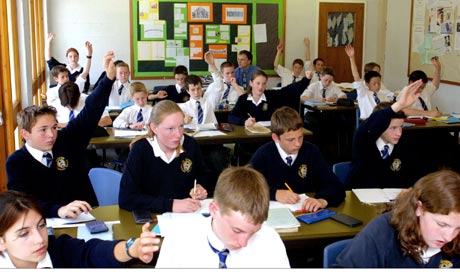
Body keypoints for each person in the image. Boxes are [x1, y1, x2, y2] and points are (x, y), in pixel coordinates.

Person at [6, 51, 117, 218]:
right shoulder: (16, 162)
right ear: (25, 133)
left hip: (85, 217)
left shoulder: (67, 140)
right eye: (43, 130)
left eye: (54, 127)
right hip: (46, 223)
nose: (51, 134)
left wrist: (107, 80)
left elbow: (90, 112)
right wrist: (58, 210)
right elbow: (22, 203)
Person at [155, 166, 290, 268]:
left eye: (253, 232)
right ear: (214, 210)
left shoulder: (270, 241)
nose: (244, 243)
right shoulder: (179, 240)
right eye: (237, 230)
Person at [0, 190, 160, 268]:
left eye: (41, 225)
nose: (40, 239)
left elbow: (93, 252)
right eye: (24, 234)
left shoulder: (58, 250)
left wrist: (130, 248)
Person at [335, 169, 460, 268]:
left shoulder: (454, 239)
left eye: (458, 228)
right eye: (442, 225)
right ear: (419, 208)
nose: (449, 237)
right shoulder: (382, 232)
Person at [118, 100, 209, 213]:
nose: (178, 134)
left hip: (187, 215)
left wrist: (201, 187)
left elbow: (203, 175)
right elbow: (126, 199)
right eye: (170, 129)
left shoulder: (190, 145)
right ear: (154, 128)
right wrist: (170, 205)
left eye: (181, 126)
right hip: (153, 217)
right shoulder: (141, 150)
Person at [249, 106, 345, 212]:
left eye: (300, 137)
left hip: (306, 215)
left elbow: (335, 186)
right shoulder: (264, 155)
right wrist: (274, 193)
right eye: (291, 140)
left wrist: (322, 200)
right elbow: (244, 188)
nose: (298, 144)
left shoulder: (310, 151)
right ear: (275, 138)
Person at [349, 79, 425, 189]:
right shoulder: (364, 142)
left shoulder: (405, 144)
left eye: (401, 127)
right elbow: (370, 125)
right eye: (393, 128)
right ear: (379, 126)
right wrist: (399, 105)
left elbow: (416, 173)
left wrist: (410, 190)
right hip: (361, 197)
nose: (399, 133)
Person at [179, 74, 230, 196]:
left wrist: (212, 65)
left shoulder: (208, 102)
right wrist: (182, 117)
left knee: (217, 157)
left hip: (209, 142)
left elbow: (219, 85)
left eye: (198, 88)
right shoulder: (183, 107)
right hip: (192, 144)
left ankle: (222, 188)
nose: (196, 92)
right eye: (192, 90)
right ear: (187, 91)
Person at [228, 70, 312, 126]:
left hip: (268, 137)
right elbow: (231, 117)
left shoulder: (271, 95)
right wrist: (244, 122)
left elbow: (289, 91)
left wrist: (306, 80)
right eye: (258, 83)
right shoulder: (243, 99)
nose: (261, 87)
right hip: (249, 138)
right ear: (251, 83)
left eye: (264, 83)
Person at [345, 45, 394, 120]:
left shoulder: (382, 96)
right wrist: (352, 58)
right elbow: (356, 76)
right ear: (367, 84)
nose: (377, 86)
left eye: (379, 83)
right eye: (374, 84)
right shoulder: (363, 93)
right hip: (368, 123)